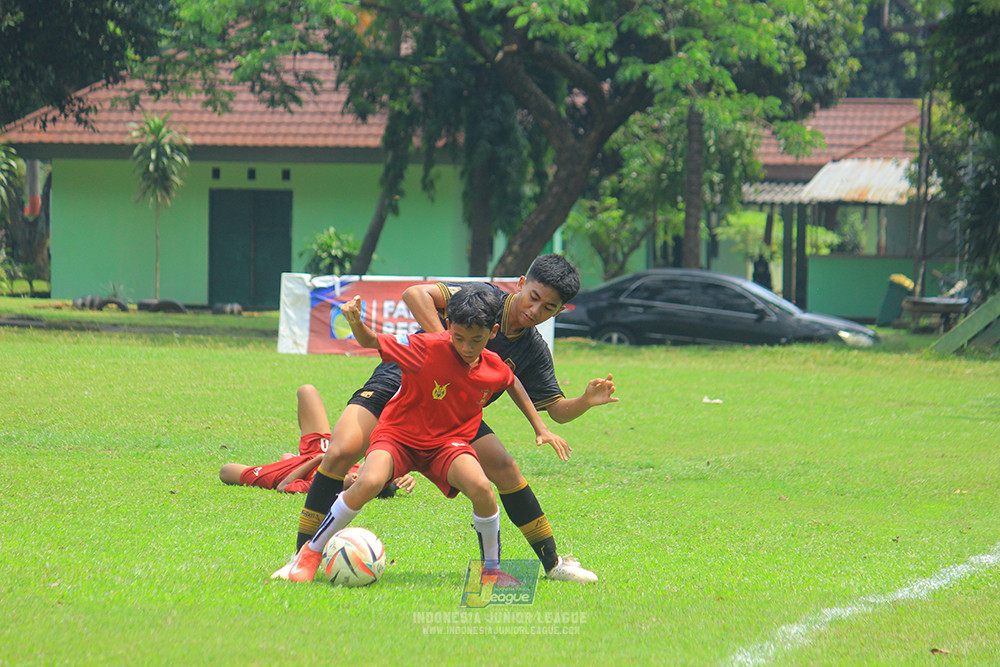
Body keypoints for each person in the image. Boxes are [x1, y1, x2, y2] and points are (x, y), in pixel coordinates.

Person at [280, 254, 617, 582]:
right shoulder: (483, 299)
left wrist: (585, 401)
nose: (535, 310)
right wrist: (445, 348)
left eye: (548, 308)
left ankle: (551, 562)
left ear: (560, 310)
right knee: (342, 450)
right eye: (534, 298)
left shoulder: (532, 349)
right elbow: (416, 294)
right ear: (522, 284)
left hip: (452, 415)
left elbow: (554, 407)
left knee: (504, 468)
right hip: (401, 383)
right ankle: (300, 557)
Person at [219, 384, 415, 495]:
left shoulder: (325, 486)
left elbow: (284, 487)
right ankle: (292, 457)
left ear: (355, 479)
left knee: (227, 471)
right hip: (323, 451)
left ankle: (290, 460)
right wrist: (400, 474)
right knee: (307, 391)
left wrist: (319, 460)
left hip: (294, 469)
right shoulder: (358, 472)